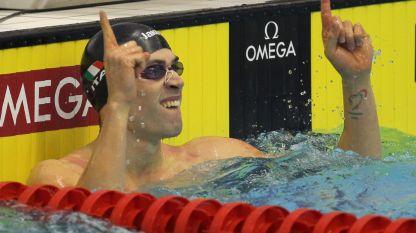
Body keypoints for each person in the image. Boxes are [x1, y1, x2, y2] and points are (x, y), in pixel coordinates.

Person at [27, 0, 381, 191]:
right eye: (154, 71)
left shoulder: (212, 158)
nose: (176, 82)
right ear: (110, 89)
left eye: (174, 68)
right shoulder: (58, 179)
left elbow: (355, 174)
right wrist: (118, 106)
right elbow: (97, 219)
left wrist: (356, 79)